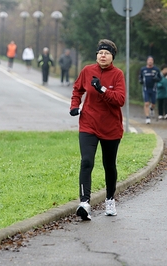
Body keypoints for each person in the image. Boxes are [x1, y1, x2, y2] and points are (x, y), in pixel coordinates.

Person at [69, 39, 125, 221]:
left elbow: (120, 99)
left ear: (112, 57)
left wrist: (101, 89)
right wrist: (74, 105)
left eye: (107, 53)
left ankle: (110, 199)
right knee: (86, 161)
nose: (103, 55)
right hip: (89, 124)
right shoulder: (87, 71)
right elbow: (77, 90)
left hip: (110, 127)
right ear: (96, 55)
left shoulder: (117, 75)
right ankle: (84, 203)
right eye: (100, 52)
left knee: (109, 165)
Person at [139, 56, 162, 124]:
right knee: (146, 103)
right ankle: (147, 118)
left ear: (153, 61)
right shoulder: (143, 69)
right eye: (149, 60)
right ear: (147, 61)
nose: (150, 61)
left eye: (151, 60)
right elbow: (140, 77)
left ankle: (152, 108)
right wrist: (140, 81)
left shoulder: (156, 69)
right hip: (146, 89)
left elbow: (160, 78)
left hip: (153, 89)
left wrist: (156, 79)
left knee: (153, 104)